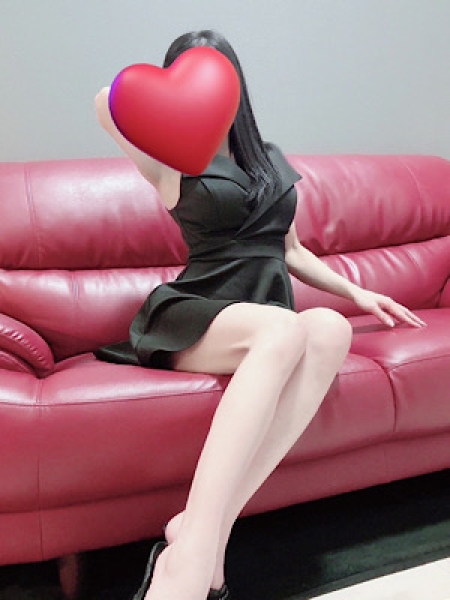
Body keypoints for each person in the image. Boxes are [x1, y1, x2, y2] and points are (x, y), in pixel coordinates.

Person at [94, 30, 426, 600]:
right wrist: (167, 104)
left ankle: (201, 534)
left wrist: (359, 294)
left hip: (266, 313)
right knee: (281, 328)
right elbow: (106, 103)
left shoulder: (269, 159)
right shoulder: (168, 163)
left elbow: (292, 251)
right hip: (196, 312)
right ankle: (189, 561)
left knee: (330, 328)